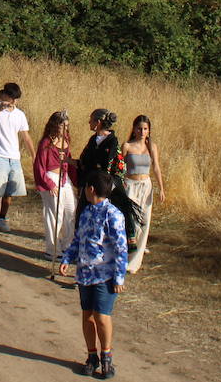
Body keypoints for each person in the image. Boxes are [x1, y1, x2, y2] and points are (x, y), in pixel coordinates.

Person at [58, 171, 127, 381]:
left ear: (91, 189)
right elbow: (78, 239)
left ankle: (106, 356)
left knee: (101, 316)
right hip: (85, 275)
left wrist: (119, 277)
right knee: (87, 315)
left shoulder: (113, 214)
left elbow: (120, 248)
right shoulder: (86, 212)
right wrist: (67, 258)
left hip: (104, 276)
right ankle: (91, 356)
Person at [0, 82, 35, 232]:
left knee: (10, 189)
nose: (13, 102)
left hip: (14, 156)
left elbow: (26, 137)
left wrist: (34, 155)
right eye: (11, 98)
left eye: (16, 99)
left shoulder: (20, 115)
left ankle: (1, 217)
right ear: (5, 96)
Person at [75, 109, 138, 246]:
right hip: (91, 186)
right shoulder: (93, 140)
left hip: (106, 186)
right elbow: (84, 162)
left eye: (91, 120)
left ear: (98, 123)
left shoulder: (112, 142)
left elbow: (118, 166)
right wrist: (68, 161)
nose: (89, 123)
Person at [122, 115, 166, 274]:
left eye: (145, 129)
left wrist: (161, 188)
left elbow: (156, 168)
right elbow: (119, 167)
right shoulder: (127, 146)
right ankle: (125, 254)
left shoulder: (152, 147)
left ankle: (135, 261)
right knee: (131, 222)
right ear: (134, 129)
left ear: (149, 130)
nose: (142, 131)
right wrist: (121, 183)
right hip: (130, 185)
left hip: (145, 186)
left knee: (144, 222)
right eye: (139, 128)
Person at [35, 111, 78, 259]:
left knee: (71, 212)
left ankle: (67, 245)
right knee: (54, 215)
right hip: (51, 177)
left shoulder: (66, 139)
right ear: (55, 125)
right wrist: (49, 184)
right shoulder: (46, 142)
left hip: (64, 178)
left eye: (67, 125)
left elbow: (68, 160)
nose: (65, 128)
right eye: (62, 125)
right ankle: (52, 249)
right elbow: (39, 165)